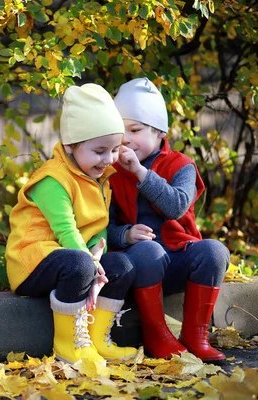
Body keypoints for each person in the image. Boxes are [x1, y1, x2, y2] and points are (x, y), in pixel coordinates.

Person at [5, 83, 138, 364]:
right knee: (79, 265)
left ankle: (96, 340)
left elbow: (99, 223)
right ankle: (69, 346)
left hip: (72, 257)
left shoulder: (99, 176)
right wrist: (91, 265)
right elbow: (66, 230)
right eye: (100, 150)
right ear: (70, 145)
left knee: (122, 266)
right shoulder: (53, 180)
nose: (109, 159)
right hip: (33, 261)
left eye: (114, 149)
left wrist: (98, 255)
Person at [108, 77, 230, 363]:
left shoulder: (182, 166)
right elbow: (101, 227)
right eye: (120, 131)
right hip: (139, 266)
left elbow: (175, 206)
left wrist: (140, 172)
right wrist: (125, 235)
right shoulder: (110, 171)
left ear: (160, 131)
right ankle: (155, 334)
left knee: (214, 250)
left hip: (177, 260)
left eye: (135, 130)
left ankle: (195, 335)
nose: (126, 139)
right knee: (149, 250)